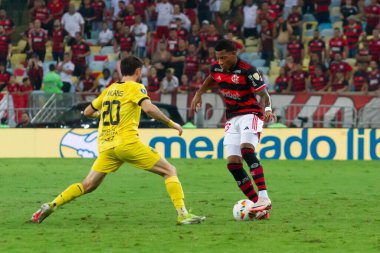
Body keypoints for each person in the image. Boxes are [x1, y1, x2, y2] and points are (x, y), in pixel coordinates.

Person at [31, 55, 206, 225]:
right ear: (138, 71)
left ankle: (52, 205)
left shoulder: (110, 89)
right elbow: (149, 109)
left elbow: (87, 112)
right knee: (169, 170)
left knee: (88, 184)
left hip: (106, 145)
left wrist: (102, 113)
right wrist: (171, 123)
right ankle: (182, 214)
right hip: (127, 143)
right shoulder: (136, 87)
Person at [190, 39, 275, 219]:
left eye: (223, 58)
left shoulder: (248, 71)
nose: (220, 62)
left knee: (246, 150)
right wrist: (198, 94)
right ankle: (260, 208)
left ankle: (264, 197)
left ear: (233, 54)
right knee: (233, 164)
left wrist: (267, 109)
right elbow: (210, 79)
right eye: (217, 58)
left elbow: (263, 94)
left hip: (250, 114)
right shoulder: (217, 69)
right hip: (232, 118)